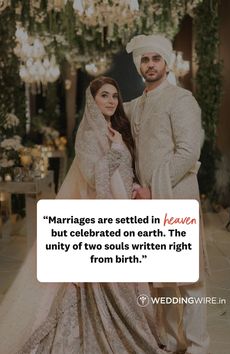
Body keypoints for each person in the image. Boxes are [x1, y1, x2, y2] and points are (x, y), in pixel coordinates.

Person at [0, 77, 170, 354]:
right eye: (105, 95)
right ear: (93, 100)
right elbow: (95, 178)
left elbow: (123, 173)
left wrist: (135, 186)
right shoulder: (89, 135)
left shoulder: (114, 129)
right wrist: (116, 152)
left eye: (115, 96)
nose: (112, 101)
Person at [125, 34, 210, 354]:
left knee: (189, 280)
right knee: (162, 281)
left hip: (176, 195)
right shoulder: (139, 105)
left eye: (155, 59)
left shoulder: (181, 100)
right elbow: (108, 110)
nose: (150, 65)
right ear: (139, 65)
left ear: (166, 63)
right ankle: (173, 342)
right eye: (144, 60)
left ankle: (199, 345)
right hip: (151, 201)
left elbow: (188, 152)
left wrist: (153, 188)